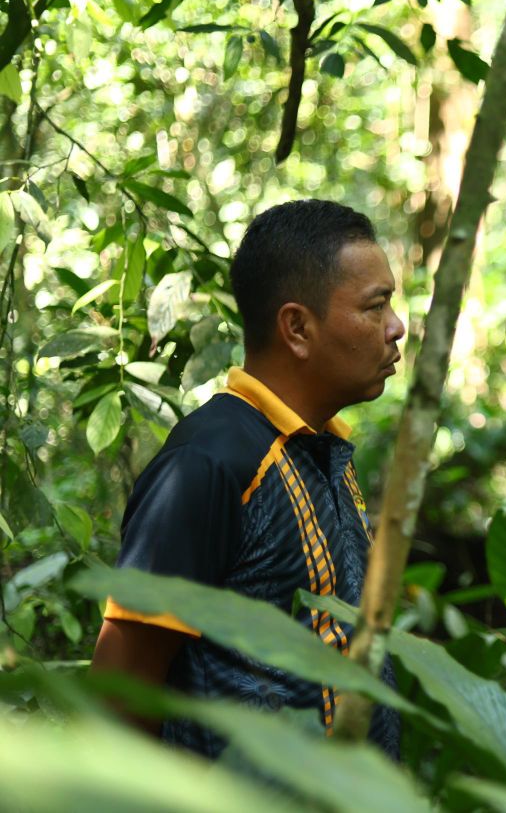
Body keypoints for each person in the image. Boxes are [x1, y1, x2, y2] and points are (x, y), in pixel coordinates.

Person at [90, 199, 406, 759]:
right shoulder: (207, 463)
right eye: (374, 306)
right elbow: (122, 692)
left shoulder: (323, 447)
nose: (396, 327)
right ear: (297, 327)